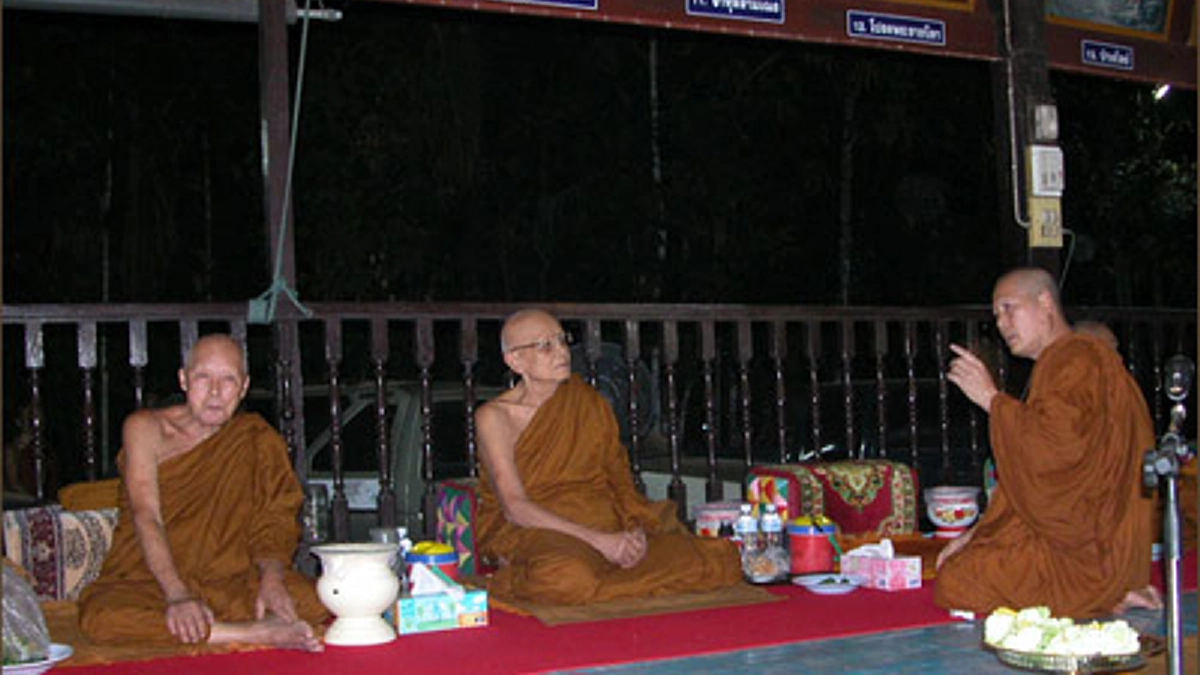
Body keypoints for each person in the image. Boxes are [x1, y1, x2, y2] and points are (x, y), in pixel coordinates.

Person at [474, 309, 742, 605]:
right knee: (566, 578)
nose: (562, 352)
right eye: (545, 346)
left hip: (601, 519)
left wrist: (632, 530)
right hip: (538, 530)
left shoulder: (589, 402)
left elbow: (619, 482)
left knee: (718, 558)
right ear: (515, 360)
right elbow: (514, 507)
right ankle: (517, 576)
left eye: (562, 340)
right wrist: (601, 543)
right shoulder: (494, 417)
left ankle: (602, 577)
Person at [935, 268, 1160, 618]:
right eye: (997, 315)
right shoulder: (1067, 360)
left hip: (1087, 550)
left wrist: (991, 399)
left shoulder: (1074, 359)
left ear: (1044, 302)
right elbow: (1040, 475)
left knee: (958, 580)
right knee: (969, 560)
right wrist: (976, 534)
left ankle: (1107, 592)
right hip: (1097, 540)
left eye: (1009, 308)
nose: (1002, 324)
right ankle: (1120, 587)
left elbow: (1056, 452)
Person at [79, 335, 328, 650]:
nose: (215, 392)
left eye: (228, 380)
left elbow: (276, 518)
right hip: (151, 578)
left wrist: (272, 579)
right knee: (103, 618)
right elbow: (146, 515)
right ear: (184, 380)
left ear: (244, 387)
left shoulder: (255, 438)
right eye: (203, 378)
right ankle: (250, 633)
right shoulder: (145, 428)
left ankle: (210, 625)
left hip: (229, 578)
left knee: (316, 598)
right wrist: (177, 595)